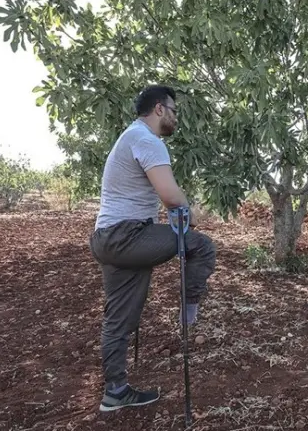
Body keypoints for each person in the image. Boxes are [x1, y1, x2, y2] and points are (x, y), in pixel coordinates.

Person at [89, 84, 217, 412]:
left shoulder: (129, 137)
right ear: (159, 109)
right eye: (174, 111)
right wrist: (191, 212)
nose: (176, 118)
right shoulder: (148, 140)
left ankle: (115, 392)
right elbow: (171, 197)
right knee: (201, 246)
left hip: (107, 238)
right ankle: (188, 312)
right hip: (127, 236)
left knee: (118, 318)